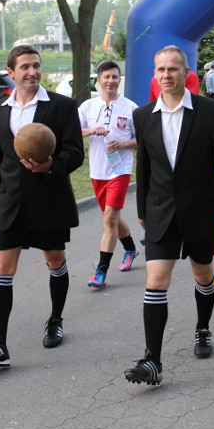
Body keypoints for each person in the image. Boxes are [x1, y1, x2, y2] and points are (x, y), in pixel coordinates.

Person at [124, 45, 214, 386]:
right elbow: (143, 164)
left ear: (186, 73)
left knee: (203, 276)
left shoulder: (208, 110)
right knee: (155, 279)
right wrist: (143, 208)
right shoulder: (143, 115)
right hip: (160, 210)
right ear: (155, 74)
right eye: (161, 69)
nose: (166, 75)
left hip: (201, 208)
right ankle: (152, 360)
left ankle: (202, 328)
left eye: (173, 69)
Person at [0, 45, 84, 368]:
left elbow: (75, 153)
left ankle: (55, 319)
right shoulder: (0, 110)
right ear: (11, 72)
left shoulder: (62, 106)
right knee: (2, 267)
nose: (32, 72)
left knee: (55, 259)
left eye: (36, 65)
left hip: (48, 199)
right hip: (10, 201)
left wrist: (51, 164)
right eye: (24, 67)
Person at [78, 60, 139, 289]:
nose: (111, 81)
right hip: (98, 171)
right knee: (110, 217)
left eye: (115, 77)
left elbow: (141, 139)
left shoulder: (130, 107)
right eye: (107, 77)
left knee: (110, 218)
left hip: (120, 170)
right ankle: (131, 248)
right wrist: (92, 130)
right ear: (98, 81)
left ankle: (101, 271)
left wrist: (123, 143)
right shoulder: (87, 107)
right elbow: (71, 130)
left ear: (119, 80)